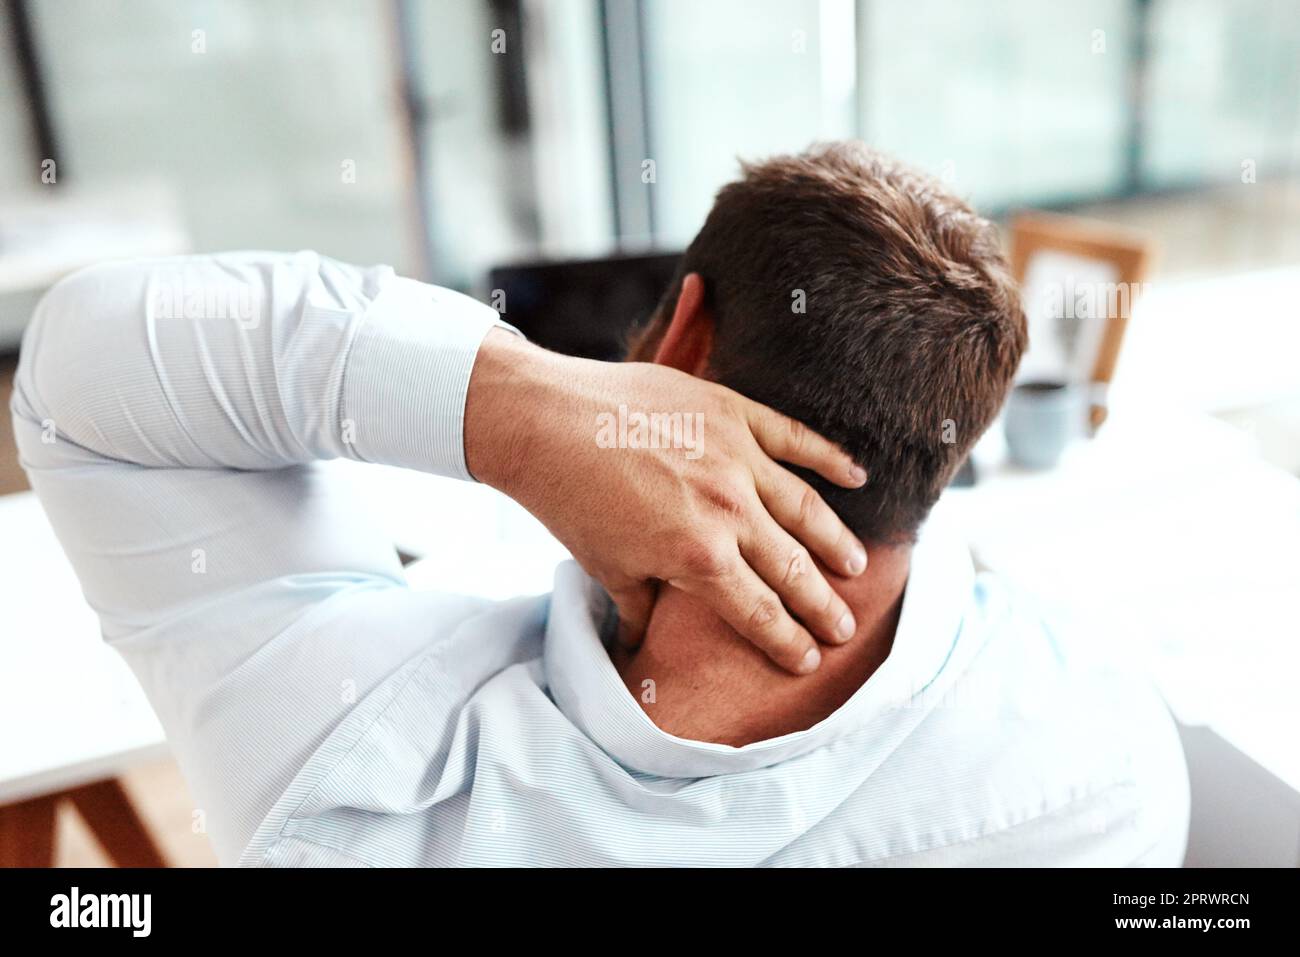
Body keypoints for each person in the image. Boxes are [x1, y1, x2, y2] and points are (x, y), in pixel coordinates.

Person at [12, 143, 1187, 867]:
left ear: (680, 334)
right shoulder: (1102, 755)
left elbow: (81, 379)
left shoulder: (354, 765)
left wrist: (518, 412)